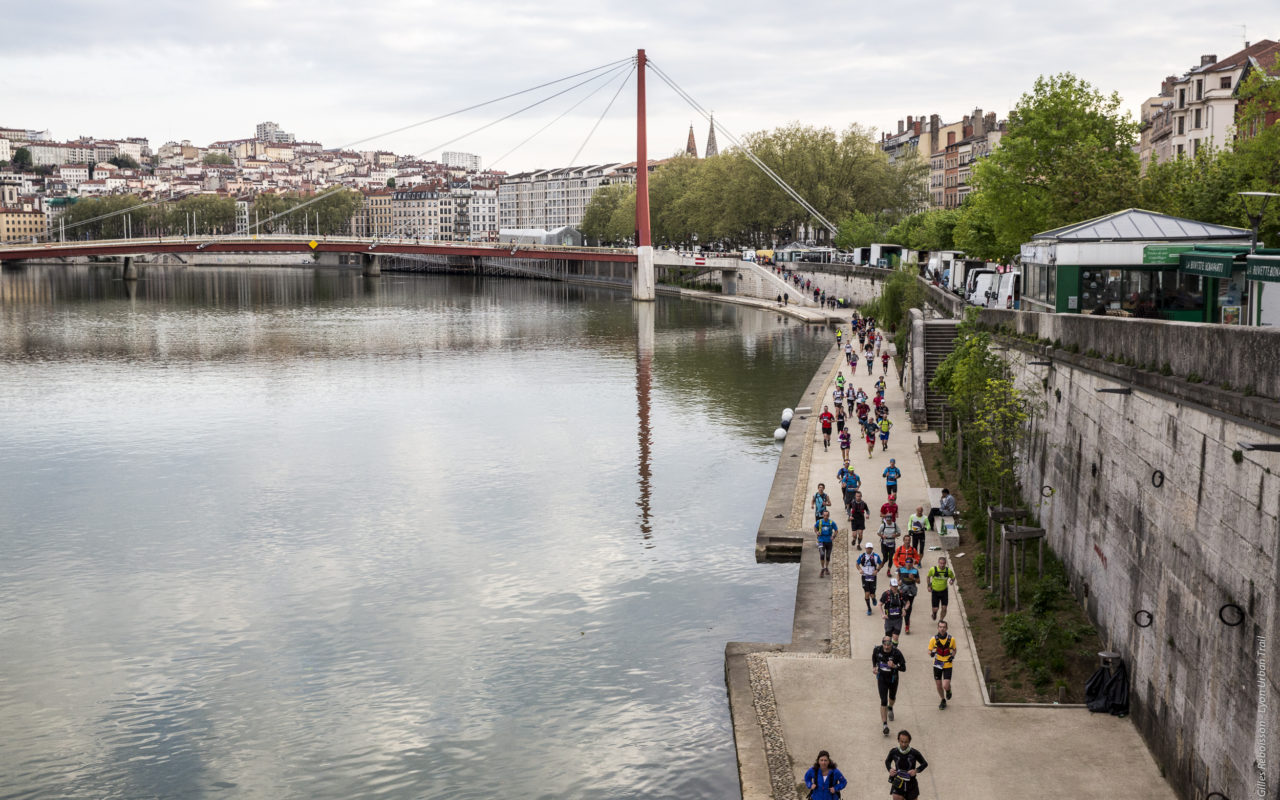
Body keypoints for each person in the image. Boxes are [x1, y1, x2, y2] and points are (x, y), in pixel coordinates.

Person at [872, 636, 907, 736]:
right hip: (882, 679)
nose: (886, 647)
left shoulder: (896, 653)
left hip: (893, 679)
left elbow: (904, 668)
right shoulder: (877, 649)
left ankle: (890, 707)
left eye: (889, 645)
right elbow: (874, 657)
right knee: (883, 700)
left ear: (892, 644)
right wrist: (874, 667)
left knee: (892, 698)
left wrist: (894, 666)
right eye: (885, 644)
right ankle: (885, 725)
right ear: (882, 643)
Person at [885, 730, 928, 800]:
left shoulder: (914, 753)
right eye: (902, 741)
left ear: (909, 741)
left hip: (912, 784)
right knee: (896, 797)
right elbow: (887, 761)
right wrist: (889, 769)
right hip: (898, 782)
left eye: (906, 742)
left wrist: (916, 770)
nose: (904, 744)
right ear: (898, 740)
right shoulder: (894, 752)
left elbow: (925, 763)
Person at [929, 620, 958, 709]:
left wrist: (952, 656)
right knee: (938, 685)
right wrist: (931, 653)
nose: (942, 629)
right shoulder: (933, 639)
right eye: (940, 627)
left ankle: (948, 690)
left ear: (946, 628)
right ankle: (943, 700)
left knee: (945, 685)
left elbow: (954, 650)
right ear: (938, 628)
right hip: (937, 664)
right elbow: (929, 650)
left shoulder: (951, 639)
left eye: (944, 627)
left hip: (947, 664)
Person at [856, 541, 883, 616]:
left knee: (872, 594)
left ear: (872, 549)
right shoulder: (862, 556)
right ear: (865, 548)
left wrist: (877, 570)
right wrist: (860, 570)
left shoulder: (876, 556)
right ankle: (869, 608)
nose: (869, 550)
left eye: (870, 548)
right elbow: (857, 564)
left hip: (872, 576)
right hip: (865, 576)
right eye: (868, 548)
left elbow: (881, 564)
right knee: (867, 593)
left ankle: (873, 598)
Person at [927, 556, 956, 622]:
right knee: (935, 609)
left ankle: (941, 620)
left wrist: (952, 581)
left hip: (944, 591)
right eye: (940, 563)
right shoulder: (933, 569)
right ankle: (934, 614)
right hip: (935, 591)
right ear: (938, 563)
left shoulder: (948, 571)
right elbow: (928, 577)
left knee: (944, 608)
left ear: (945, 563)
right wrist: (929, 586)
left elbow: (953, 577)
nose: (942, 565)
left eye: (943, 563)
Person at [897, 556, 920, 634]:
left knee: (908, 608)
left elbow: (919, 581)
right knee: (902, 607)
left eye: (910, 563)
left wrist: (913, 578)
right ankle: (906, 623)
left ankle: (907, 625)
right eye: (907, 563)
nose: (908, 565)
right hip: (903, 590)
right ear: (905, 563)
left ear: (912, 564)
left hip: (911, 591)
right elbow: (898, 575)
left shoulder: (915, 571)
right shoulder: (901, 569)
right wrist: (898, 581)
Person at [881, 578, 907, 645]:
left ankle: (894, 649)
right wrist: (883, 614)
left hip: (898, 619)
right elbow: (879, 604)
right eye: (893, 586)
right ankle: (889, 650)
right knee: (888, 638)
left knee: (895, 637)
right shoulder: (886, 594)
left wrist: (904, 610)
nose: (895, 588)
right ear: (890, 586)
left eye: (896, 586)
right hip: (889, 619)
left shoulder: (901, 594)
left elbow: (908, 603)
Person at [814, 509, 838, 578]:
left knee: (827, 556)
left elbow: (836, 530)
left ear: (829, 516)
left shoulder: (831, 522)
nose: (825, 517)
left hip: (829, 541)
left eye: (827, 515)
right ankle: (822, 568)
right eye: (824, 515)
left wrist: (833, 536)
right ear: (822, 515)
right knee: (822, 554)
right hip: (821, 540)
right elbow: (815, 527)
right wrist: (817, 532)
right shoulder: (819, 522)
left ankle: (826, 567)